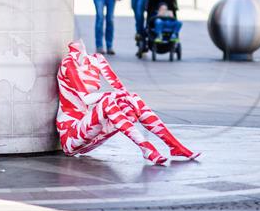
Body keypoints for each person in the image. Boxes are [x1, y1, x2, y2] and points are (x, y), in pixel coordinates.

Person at [56, 40, 199, 165]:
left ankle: (174, 146)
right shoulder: (68, 63)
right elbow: (86, 98)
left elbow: (120, 89)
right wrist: (116, 96)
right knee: (108, 101)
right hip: (71, 135)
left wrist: (129, 102)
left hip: (90, 136)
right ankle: (146, 148)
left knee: (133, 99)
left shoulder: (97, 60)